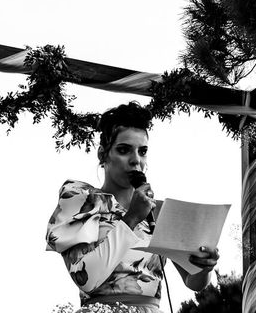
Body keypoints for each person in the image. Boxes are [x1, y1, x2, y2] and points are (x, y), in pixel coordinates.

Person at [46, 102, 219, 313]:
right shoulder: (81, 198)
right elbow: (86, 279)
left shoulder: (158, 211)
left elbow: (194, 282)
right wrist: (132, 218)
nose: (136, 160)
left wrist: (205, 267)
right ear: (103, 155)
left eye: (142, 151)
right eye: (124, 150)